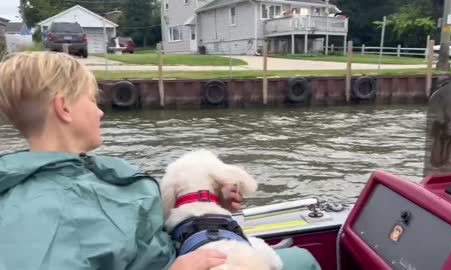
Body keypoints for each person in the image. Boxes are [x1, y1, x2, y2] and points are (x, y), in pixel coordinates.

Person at [0, 52, 320, 270]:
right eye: (90, 99)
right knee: (304, 262)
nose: (100, 111)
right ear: (64, 108)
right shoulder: (42, 214)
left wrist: (209, 200)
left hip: (183, 249)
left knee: (301, 257)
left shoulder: (81, 170)